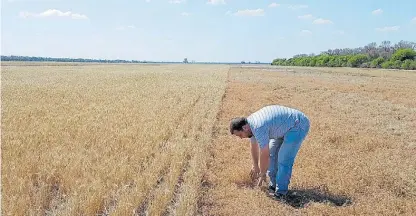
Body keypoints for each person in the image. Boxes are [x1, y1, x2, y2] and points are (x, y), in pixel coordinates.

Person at [229, 104, 310, 200]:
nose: (241, 138)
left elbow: (264, 153)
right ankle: (273, 184)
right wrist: (255, 165)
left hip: (297, 125)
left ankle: (281, 192)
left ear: (244, 128)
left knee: (283, 159)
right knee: (272, 153)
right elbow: (254, 146)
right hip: (282, 127)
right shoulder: (250, 124)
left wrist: (262, 174)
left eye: (240, 135)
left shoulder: (258, 126)